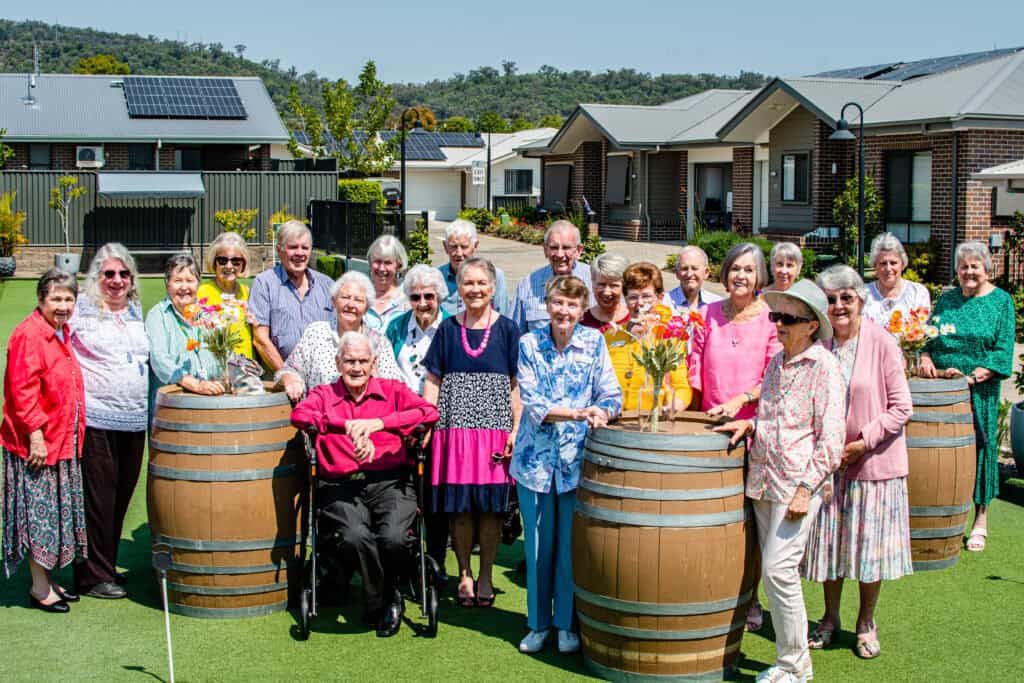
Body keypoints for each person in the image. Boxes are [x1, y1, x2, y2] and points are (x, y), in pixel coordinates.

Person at [714, 279, 845, 683]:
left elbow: (832, 437)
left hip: (795, 486)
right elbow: (775, 416)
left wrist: (807, 488)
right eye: (776, 316)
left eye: (788, 318)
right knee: (773, 572)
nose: (779, 324)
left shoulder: (825, 367)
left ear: (811, 325)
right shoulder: (777, 363)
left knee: (778, 571)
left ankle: (795, 665)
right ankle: (792, 661)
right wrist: (748, 423)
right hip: (763, 481)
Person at [290, 332, 439, 637]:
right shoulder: (324, 394)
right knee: (355, 536)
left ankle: (385, 592)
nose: (356, 367)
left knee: (395, 537)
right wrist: (345, 426)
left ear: (374, 363)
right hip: (341, 485)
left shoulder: (392, 390)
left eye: (362, 361)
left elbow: (429, 412)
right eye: (349, 361)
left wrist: (380, 424)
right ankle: (383, 600)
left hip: (390, 480)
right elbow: (300, 414)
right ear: (337, 362)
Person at [801, 265, 914, 660]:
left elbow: (902, 407)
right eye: (830, 300)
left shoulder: (882, 342)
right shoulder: (820, 345)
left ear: (860, 301)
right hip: (828, 466)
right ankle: (830, 619)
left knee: (868, 551)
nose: (838, 306)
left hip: (872, 465)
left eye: (846, 298)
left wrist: (863, 443)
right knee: (830, 547)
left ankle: (866, 622)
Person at [512, 276, 622, 655]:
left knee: (570, 549)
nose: (564, 312)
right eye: (558, 303)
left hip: (578, 465)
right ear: (547, 304)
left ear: (581, 309)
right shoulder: (529, 344)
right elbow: (535, 404)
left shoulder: (595, 342)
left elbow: (611, 393)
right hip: (535, 466)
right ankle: (538, 624)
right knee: (539, 549)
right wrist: (578, 412)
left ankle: (566, 625)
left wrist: (602, 411)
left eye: (572, 306)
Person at [689, 242, 781, 631]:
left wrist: (742, 400)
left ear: (760, 276)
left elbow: (774, 375)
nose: (740, 276)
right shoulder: (707, 314)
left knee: (752, 524)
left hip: (754, 434)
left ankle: (752, 599)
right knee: (713, 521)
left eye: (748, 269)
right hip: (712, 434)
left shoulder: (771, 320)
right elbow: (693, 369)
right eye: (734, 269)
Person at [423, 256, 522, 609]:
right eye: (468, 283)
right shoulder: (448, 329)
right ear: (459, 289)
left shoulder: (509, 330)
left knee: (492, 510)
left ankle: (486, 576)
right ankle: (464, 572)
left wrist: (515, 429)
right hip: (455, 432)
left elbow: (517, 385)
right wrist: (428, 424)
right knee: (461, 509)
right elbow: (432, 380)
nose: (475, 289)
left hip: (495, 432)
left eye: (482, 283)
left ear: (493, 288)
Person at [919, 241, 1015, 553]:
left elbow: (1002, 352)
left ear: (988, 270)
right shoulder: (946, 300)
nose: (969, 271)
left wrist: (972, 378)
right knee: (940, 453)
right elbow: (927, 338)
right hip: (942, 390)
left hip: (979, 390)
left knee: (981, 450)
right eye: (964, 266)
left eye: (975, 266)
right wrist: (926, 359)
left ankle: (981, 519)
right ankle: (939, 517)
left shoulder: (1002, 302)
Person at [2, 269, 87, 613]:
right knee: (39, 517)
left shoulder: (58, 332)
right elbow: (21, 392)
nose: (63, 305)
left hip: (61, 440)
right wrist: (35, 435)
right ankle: (39, 587)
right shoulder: (29, 335)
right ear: (41, 300)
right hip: (38, 445)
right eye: (56, 299)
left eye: (68, 299)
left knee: (53, 515)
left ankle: (49, 579)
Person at [69, 244, 149, 600]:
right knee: (97, 498)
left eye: (123, 274)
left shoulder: (134, 310)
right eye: (109, 274)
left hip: (133, 421)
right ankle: (91, 576)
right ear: (96, 277)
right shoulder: (81, 310)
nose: (116, 281)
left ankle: (107, 565)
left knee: (120, 496)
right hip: (97, 419)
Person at [385, 264, 452, 579]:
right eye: (415, 297)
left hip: (440, 423)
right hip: (402, 426)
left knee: (435, 496)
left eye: (429, 296)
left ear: (440, 296)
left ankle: (435, 561)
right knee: (404, 493)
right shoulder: (395, 328)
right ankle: (405, 560)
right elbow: (385, 374)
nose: (423, 303)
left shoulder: (452, 328)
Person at [278, 271, 401, 401]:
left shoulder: (378, 342)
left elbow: (394, 386)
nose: (351, 305)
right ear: (334, 301)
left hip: (365, 418)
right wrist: (290, 378)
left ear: (366, 308)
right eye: (345, 297)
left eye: (358, 300)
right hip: (320, 416)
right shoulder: (315, 333)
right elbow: (290, 369)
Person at [603, 262, 692, 413]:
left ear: (660, 297)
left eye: (646, 296)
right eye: (633, 297)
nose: (640, 303)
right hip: (614, 421)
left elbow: (681, 387)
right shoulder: (610, 336)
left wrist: (672, 408)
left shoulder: (670, 339)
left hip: (654, 421)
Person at [249, 220, 336, 372]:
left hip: (325, 380)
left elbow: (340, 334)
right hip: (283, 384)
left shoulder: (328, 285)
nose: (300, 253)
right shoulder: (264, 284)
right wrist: (286, 375)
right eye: (293, 247)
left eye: (305, 248)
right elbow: (260, 339)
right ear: (279, 250)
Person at [146, 254, 224, 418]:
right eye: (178, 280)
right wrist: (193, 384)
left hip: (209, 405)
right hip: (171, 409)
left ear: (198, 283)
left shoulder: (207, 315)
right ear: (167, 284)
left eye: (190, 280)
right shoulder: (158, 316)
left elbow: (220, 354)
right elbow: (159, 359)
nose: (184, 287)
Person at [510, 220, 594, 335]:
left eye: (566, 247)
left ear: (578, 251)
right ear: (545, 250)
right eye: (554, 247)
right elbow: (514, 335)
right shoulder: (527, 285)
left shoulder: (595, 281)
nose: (559, 254)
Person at [197, 231, 254, 359]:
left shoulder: (248, 292)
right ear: (213, 262)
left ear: (243, 264)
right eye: (222, 260)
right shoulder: (201, 293)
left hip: (247, 366)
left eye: (236, 261)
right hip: (216, 367)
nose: (229, 266)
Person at [438, 219, 510, 316]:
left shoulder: (495, 275)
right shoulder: (436, 277)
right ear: (445, 247)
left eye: (464, 247)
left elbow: (502, 317)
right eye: (453, 247)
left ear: (475, 245)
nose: (459, 253)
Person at [862, 232, 932, 327]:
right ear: (875, 266)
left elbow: (922, 330)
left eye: (893, 263)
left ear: (902, 264)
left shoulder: (918, 293)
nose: (888, 268)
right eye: (883, 263)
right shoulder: (863, 294)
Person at [364, 235, 409, 332]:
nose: (381, 268)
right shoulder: (360, 296)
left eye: (388, 263)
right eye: (377, 262)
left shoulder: (407, 299)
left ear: (398, 265)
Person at [580, 253, 631, 332]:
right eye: (601, 284)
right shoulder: (582, 320)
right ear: (593, 284)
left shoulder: (634, 319)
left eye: (614, 285)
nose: (606, 292)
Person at [667, 245, 722, 310]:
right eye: (684, 268)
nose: (689, 274)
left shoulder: (717, 305)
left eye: (695, 268)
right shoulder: (662, 304)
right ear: (677, 273)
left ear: (706, 272)